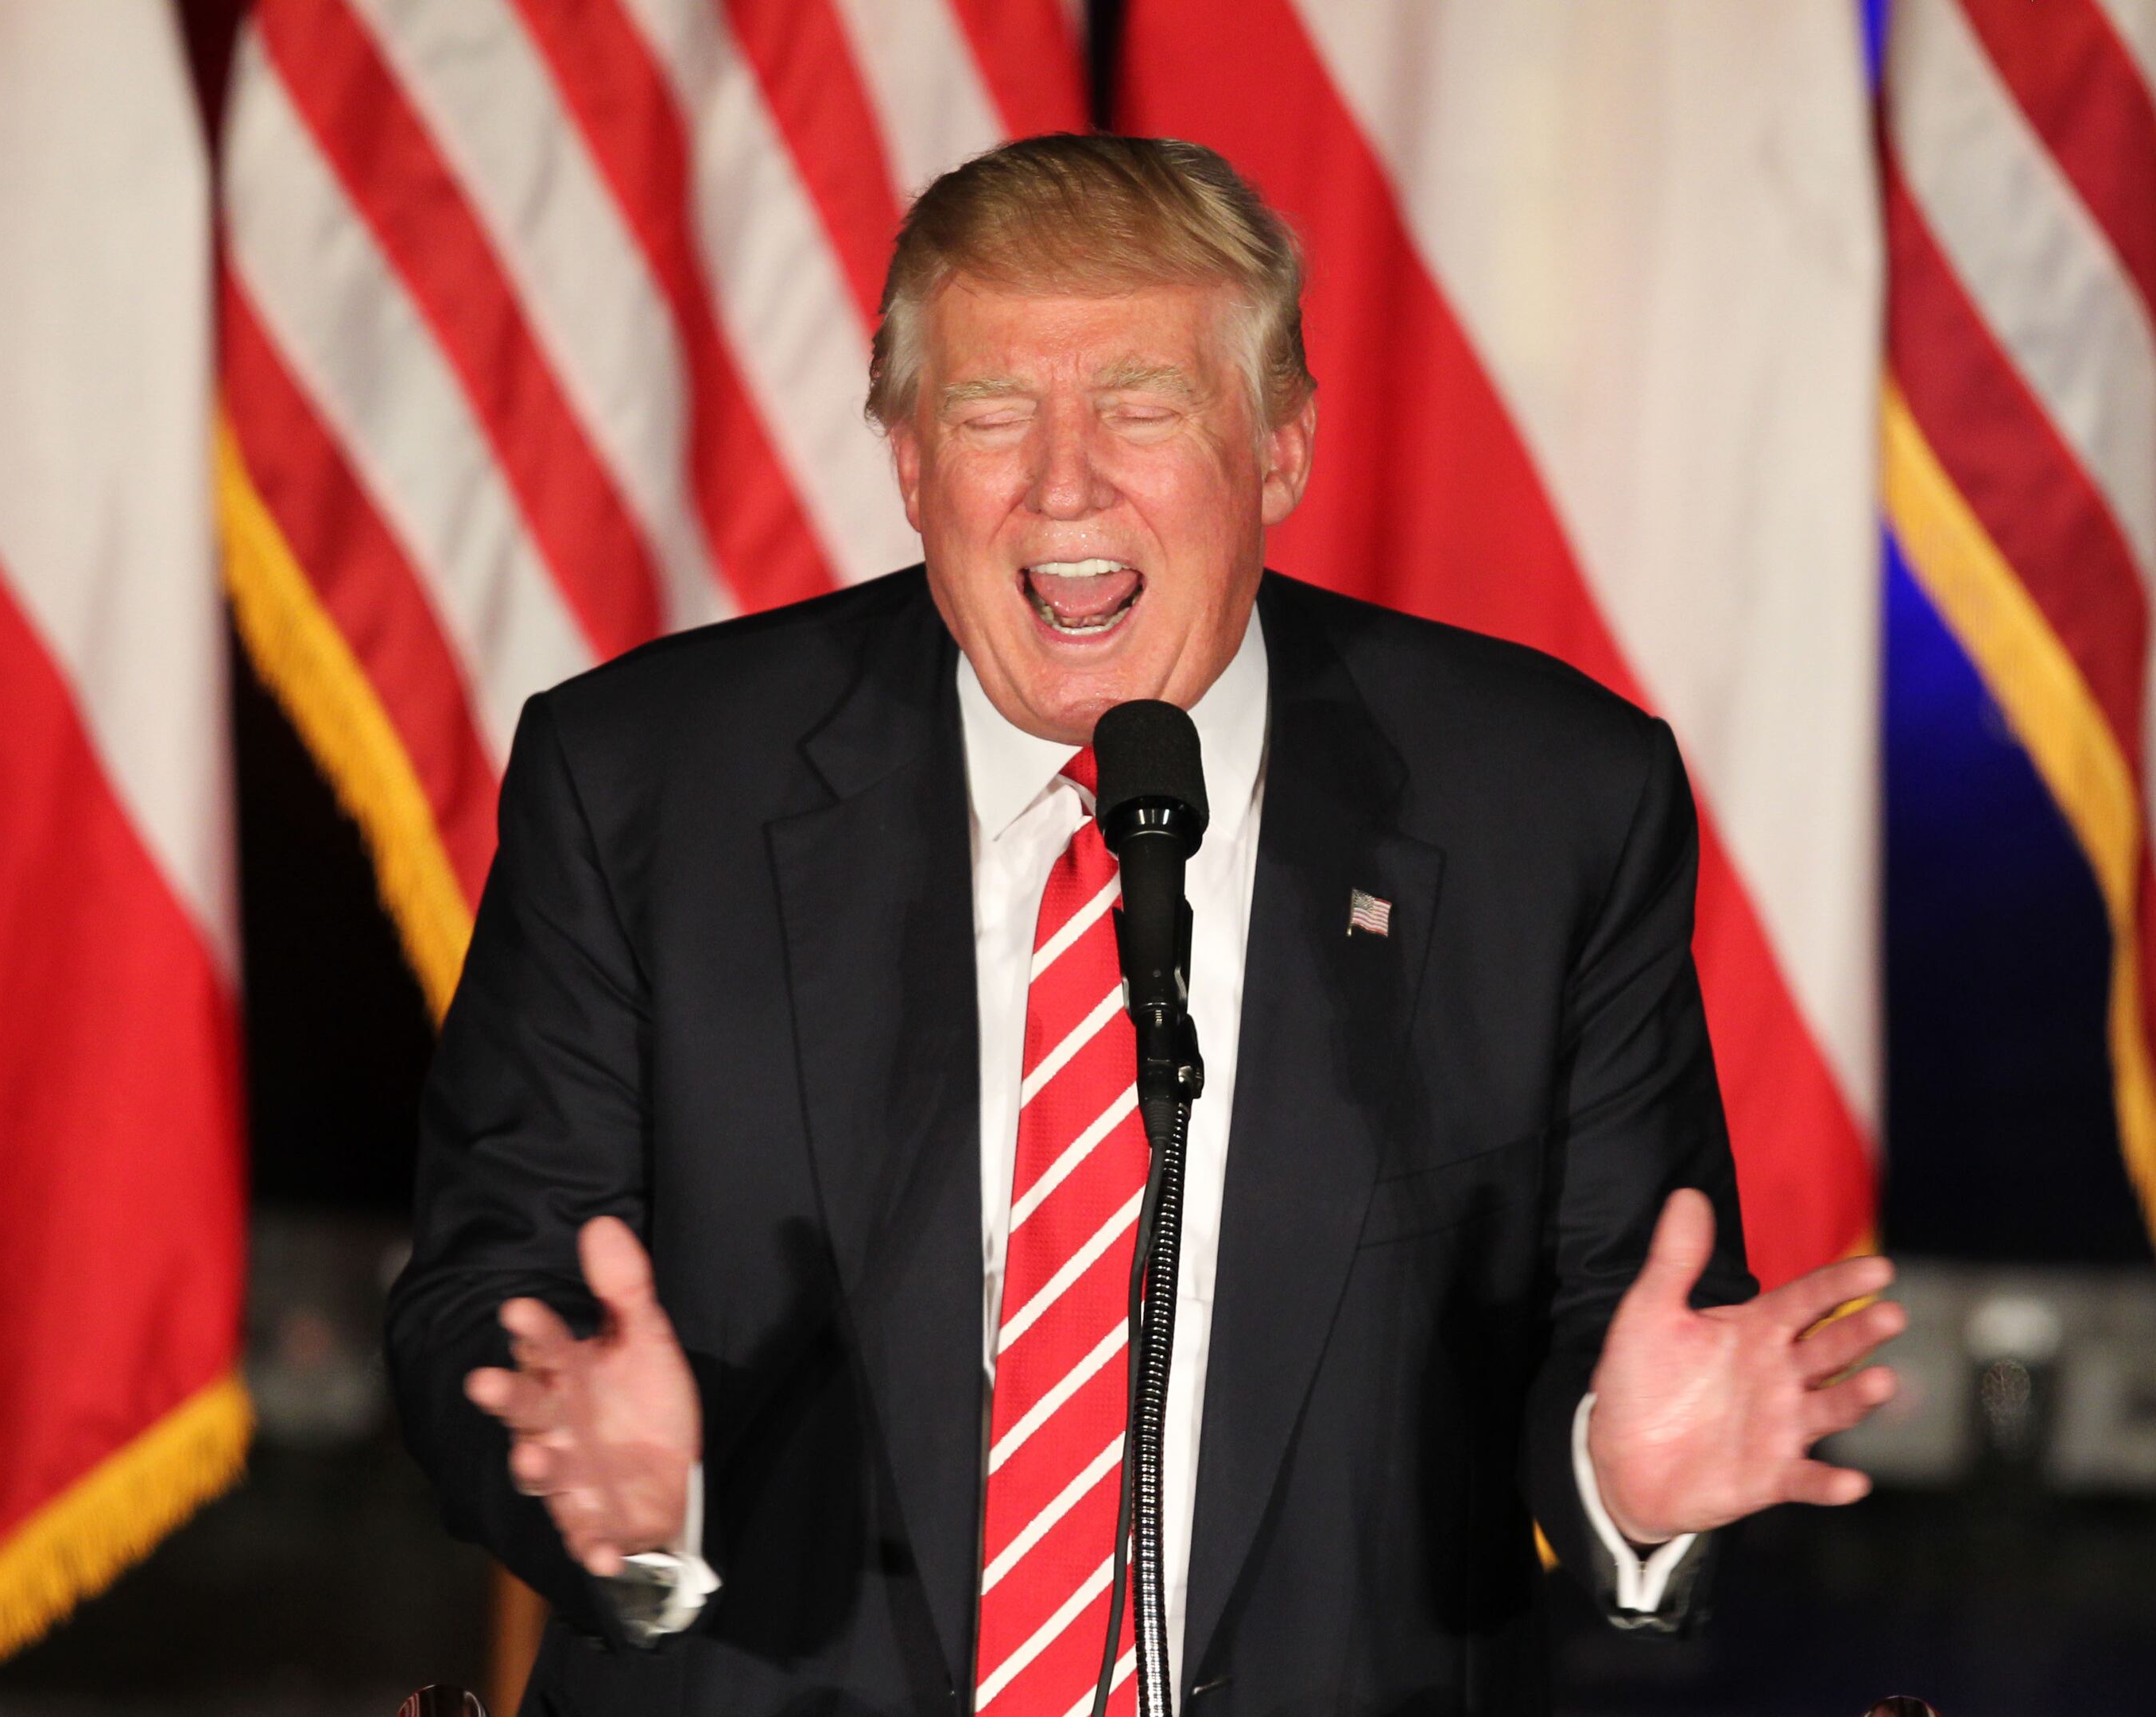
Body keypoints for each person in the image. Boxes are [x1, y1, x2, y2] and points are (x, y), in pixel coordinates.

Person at [387, 134, 1904, 1715]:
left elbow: (1612, 1310)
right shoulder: (644, 786)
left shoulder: (1544, 805)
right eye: (989, 415)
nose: (1062, 483)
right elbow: (487, 1294)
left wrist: (1621, 1481)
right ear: (910, 464)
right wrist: (610, 1501)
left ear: (1280, 452)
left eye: (1142, 408)